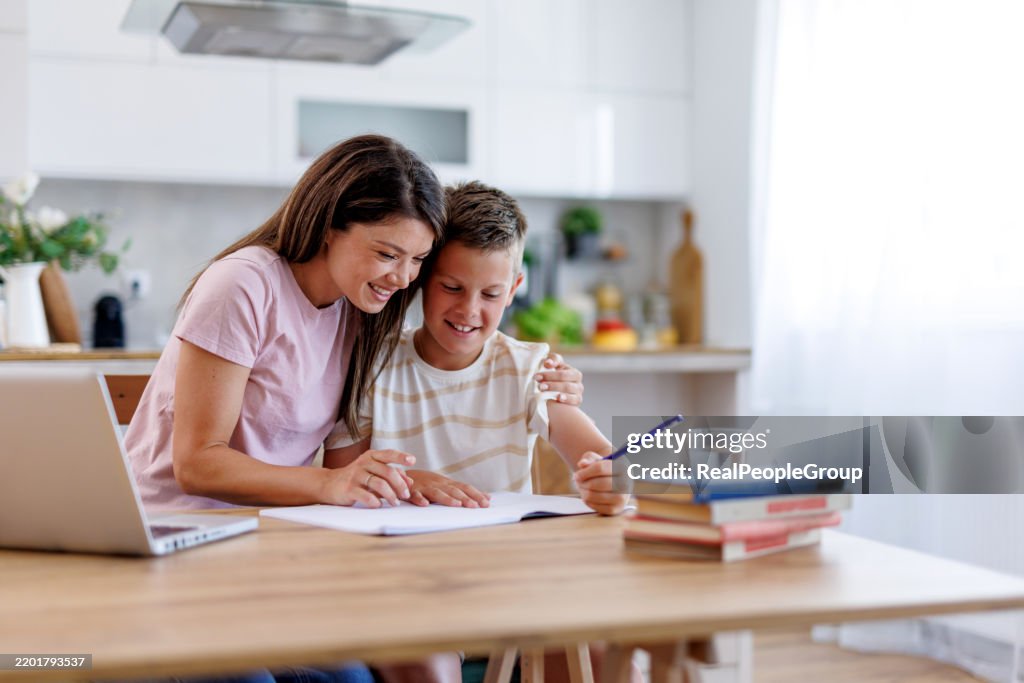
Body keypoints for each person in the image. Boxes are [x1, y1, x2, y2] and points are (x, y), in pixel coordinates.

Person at [123, 137, 583, 682]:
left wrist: (406, 481)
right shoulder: (244, 284)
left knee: (354, 677)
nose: (402, 277)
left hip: (266, 552)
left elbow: (349, 468)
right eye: (388, 254)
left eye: (416, 260)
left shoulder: (360, 309)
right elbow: (198, 464)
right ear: (327, 227)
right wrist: (329, 485)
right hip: (174, 543)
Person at [323, 180, 635, 683]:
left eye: (490, 294)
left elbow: (601, 455)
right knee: (425, 663)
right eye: (451, 287)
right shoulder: (370, 365)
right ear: (422, 278)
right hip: (402, 588)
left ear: (513, 289)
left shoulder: (528, 368)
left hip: (509, 585)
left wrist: (611, 480)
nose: (469, 311)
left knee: (606, 661)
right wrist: (406, 482)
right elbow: (341, 487)